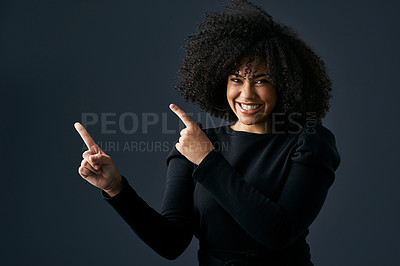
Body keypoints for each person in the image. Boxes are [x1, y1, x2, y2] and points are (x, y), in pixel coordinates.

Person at [74, 0, 341, 265]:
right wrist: (115, 187)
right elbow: (170, 243)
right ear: (219, 81)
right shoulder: (198, 142)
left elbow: (276, 233)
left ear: (286, 85)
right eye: (236, 79)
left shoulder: (310, 142)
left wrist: (207, 160)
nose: (246, 94)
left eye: (261, 81)